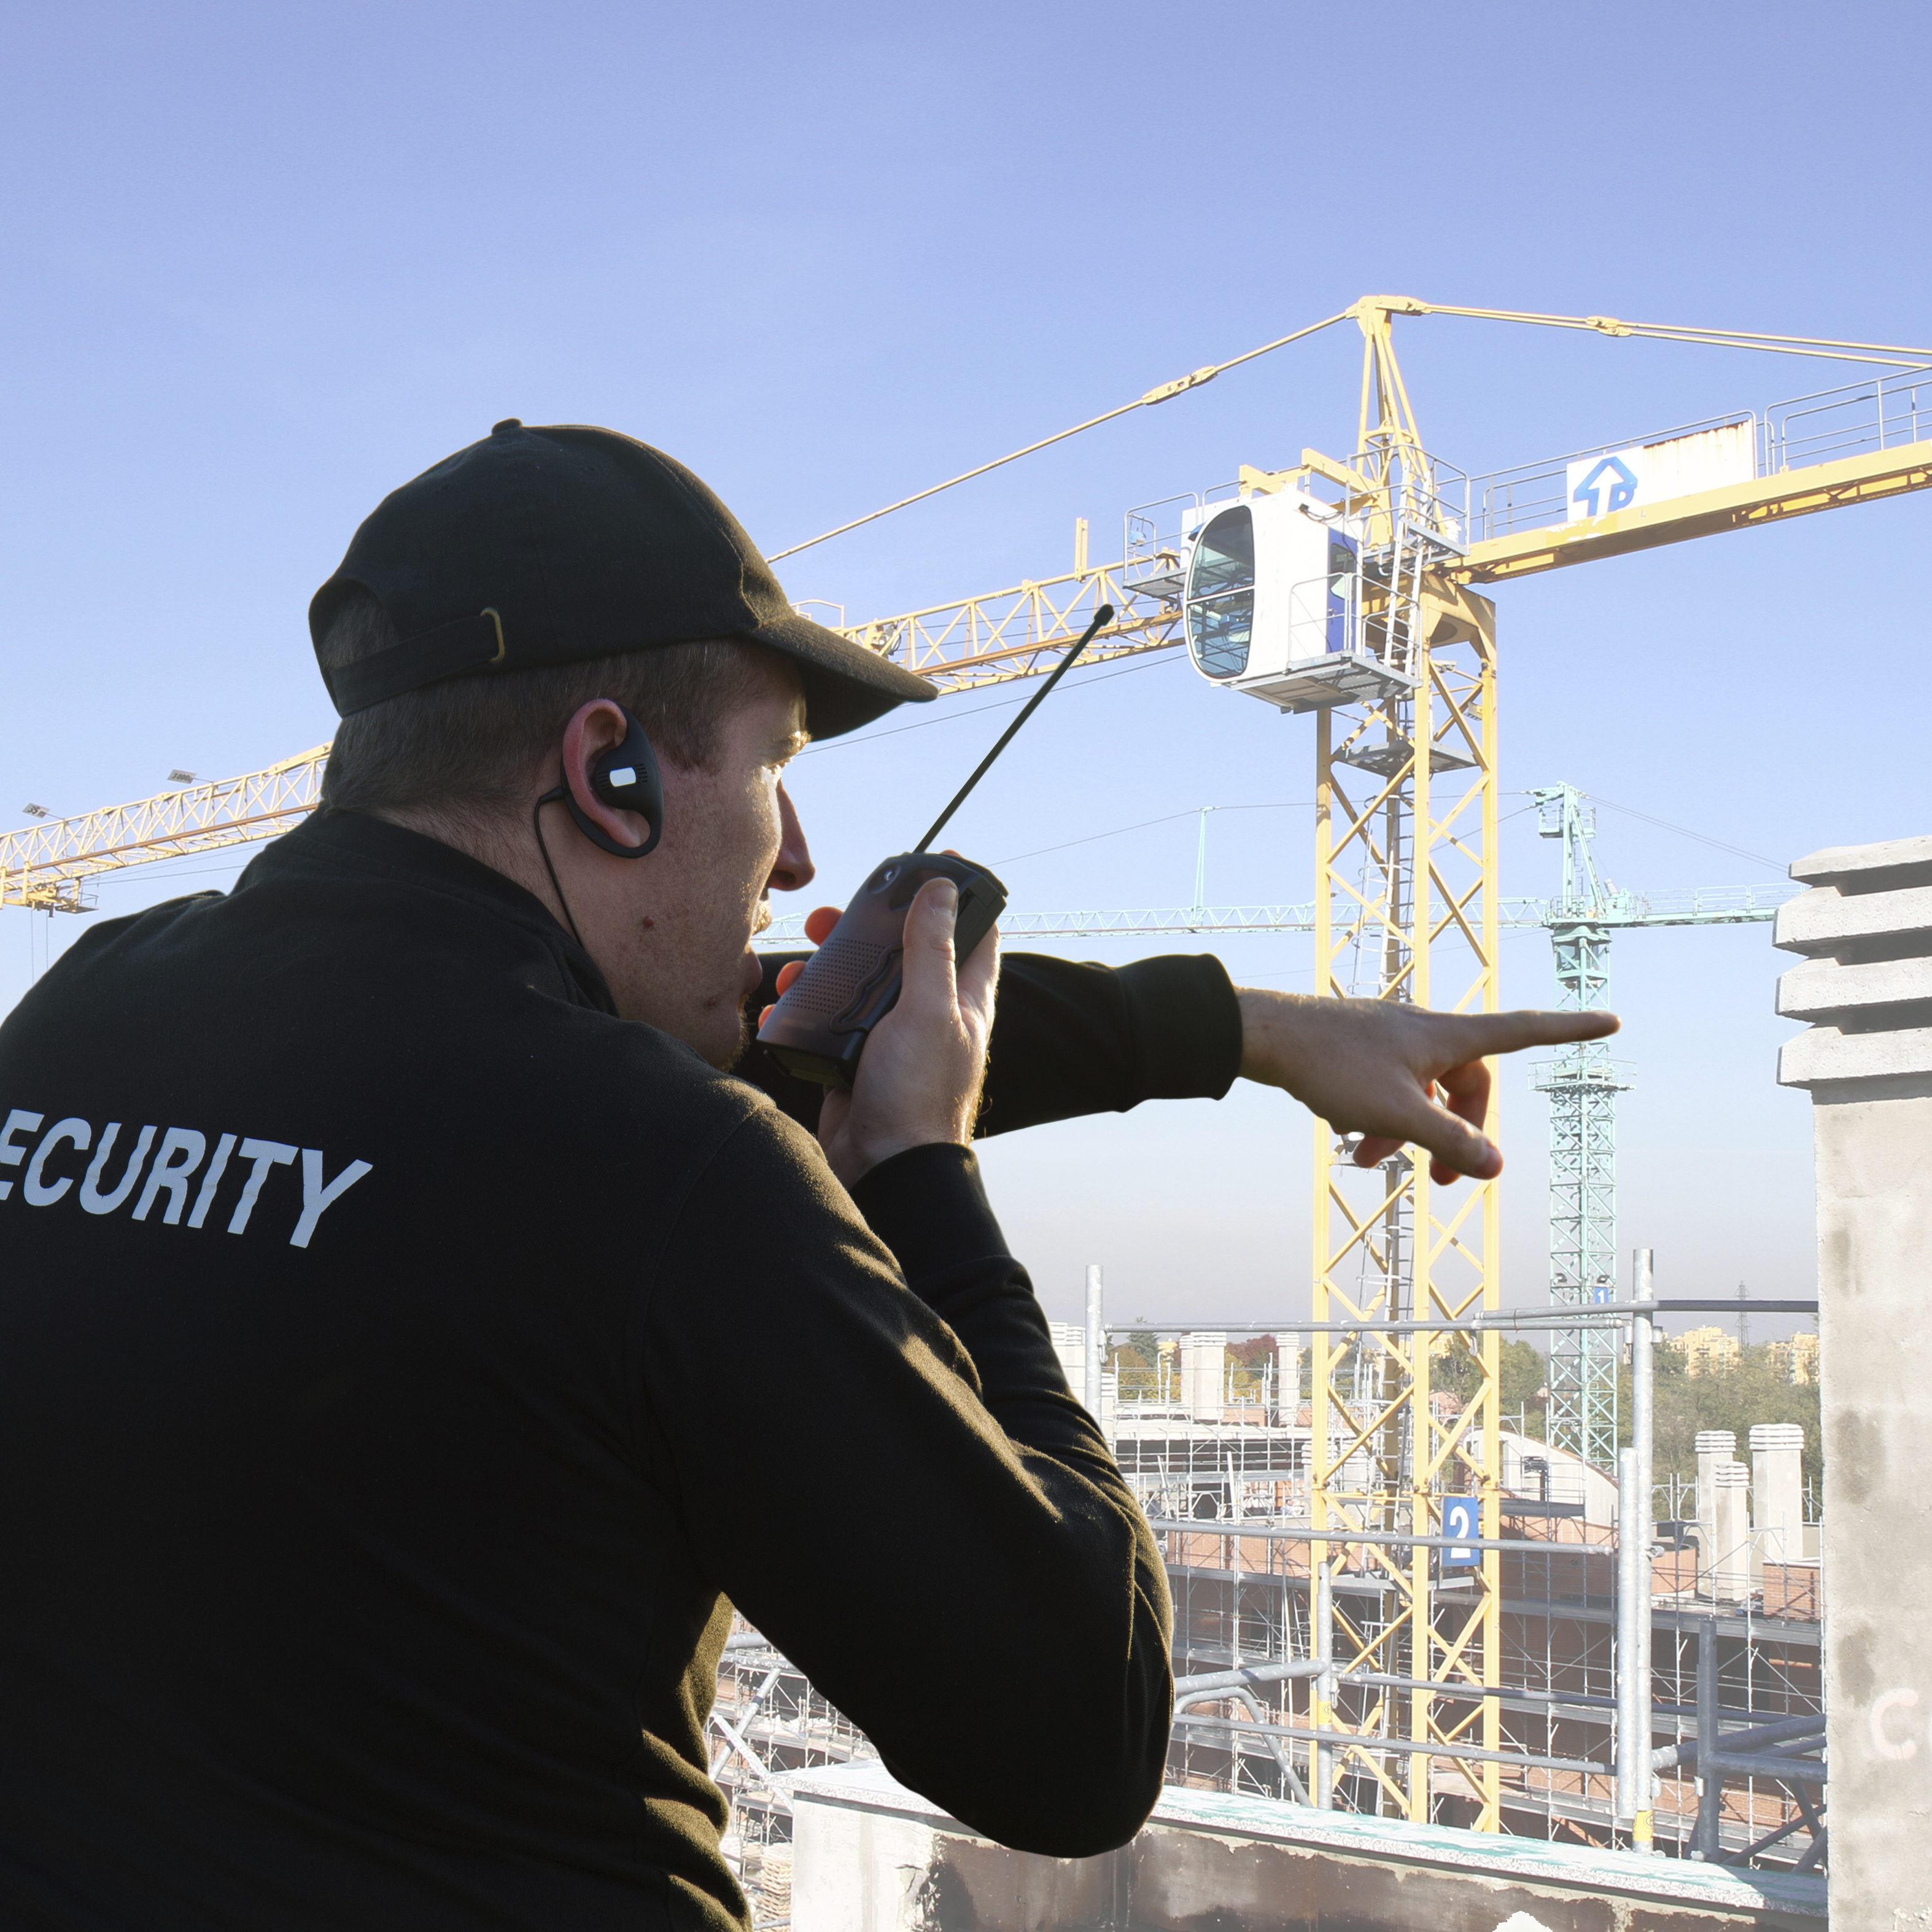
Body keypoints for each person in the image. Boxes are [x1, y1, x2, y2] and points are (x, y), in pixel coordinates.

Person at [0, 421, 1614, 1931]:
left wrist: (1249, 1028)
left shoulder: (80, 1015)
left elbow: (756, 1033)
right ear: (609, 771)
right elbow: (1076, 1736)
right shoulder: (664, 1167)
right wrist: (921, 1171)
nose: (795, 859)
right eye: (776, 764)